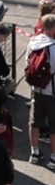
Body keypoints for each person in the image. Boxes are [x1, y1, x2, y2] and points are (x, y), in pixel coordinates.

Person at [27, 14, 55, 166]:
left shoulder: (32, 43)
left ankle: (34, 152)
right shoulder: (53, 47)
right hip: (51, 91)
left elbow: (28, 63)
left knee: (34, 123)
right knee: (53, 126)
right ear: (52, 29)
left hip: (36, 90)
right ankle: (53, 158)